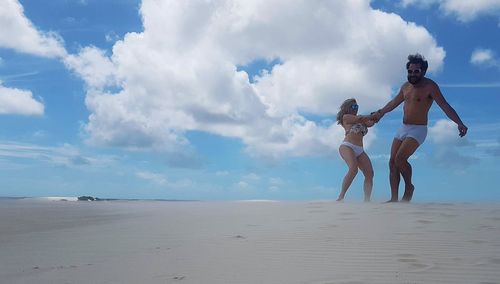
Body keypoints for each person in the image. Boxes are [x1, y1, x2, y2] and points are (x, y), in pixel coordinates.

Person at [372, 54, 468, 202]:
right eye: (410, 71)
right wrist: (380, 113)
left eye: (416, 71)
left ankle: (409, 187)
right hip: (403, 127)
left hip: (418, 129)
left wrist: (459, 123)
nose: (412, 74)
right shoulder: (405, 87)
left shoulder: (430, 86)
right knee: (392, 162)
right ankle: (394, 199)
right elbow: (393, 103)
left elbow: (444, 105)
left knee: (400, 159)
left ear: (423, 71)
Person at [336, 98, 376, 202]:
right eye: (353, 106)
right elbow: (359, 119)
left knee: (369, 173)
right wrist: (370, 116)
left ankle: (367, 200)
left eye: (357, 107)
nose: (356, 109)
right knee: (353, 169)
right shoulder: (346, 117)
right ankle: (341, 196)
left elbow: (371, 123)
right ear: (347, 108)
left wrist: (377, 115)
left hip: (360, 149)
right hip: (347, 146)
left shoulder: (362, 119)